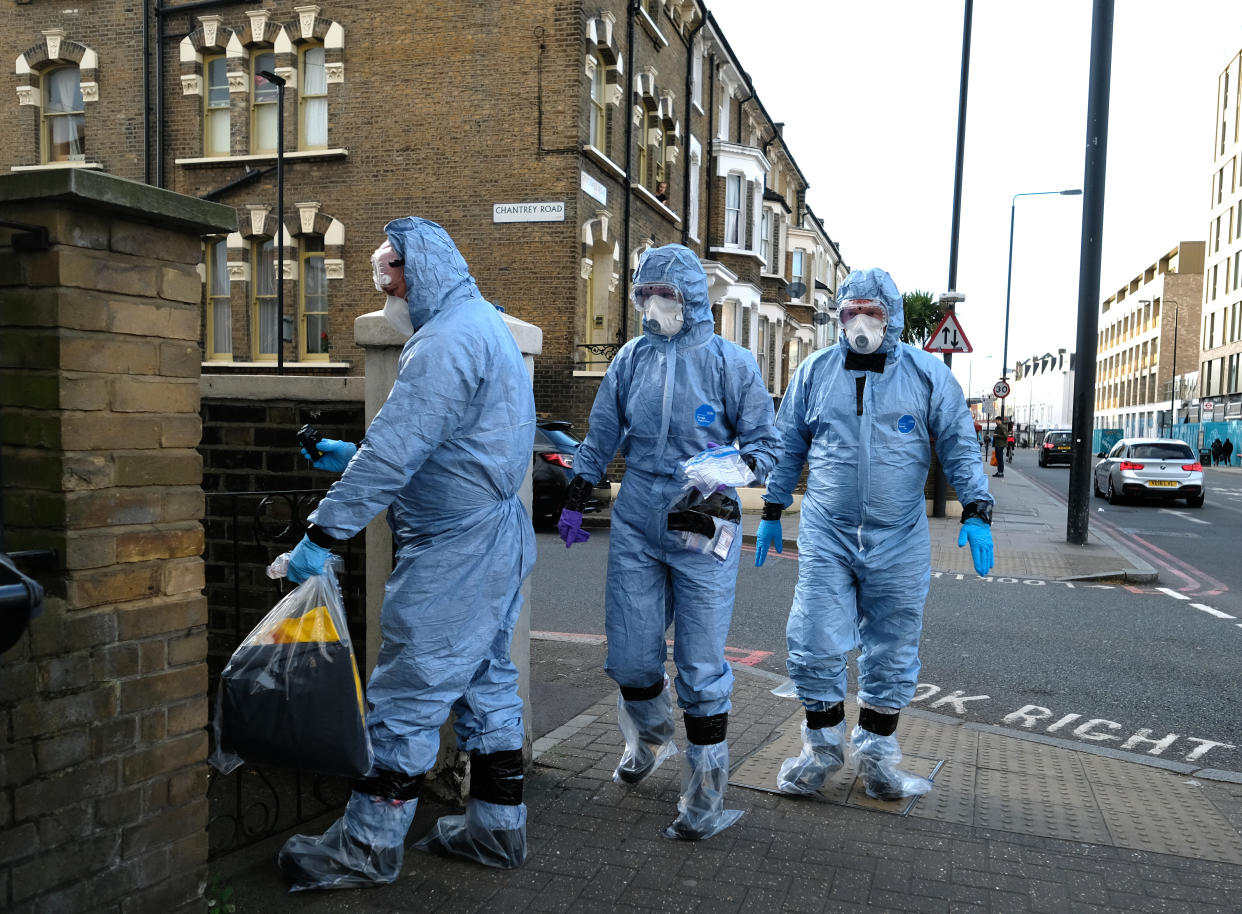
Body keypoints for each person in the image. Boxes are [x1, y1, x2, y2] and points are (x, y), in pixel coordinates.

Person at [276, 218, 537, 889]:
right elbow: (450, 444)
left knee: (407, 694)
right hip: (493, 538)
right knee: (487, 683)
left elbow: (394, 453)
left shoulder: (445, 341)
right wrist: (346, 455)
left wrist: (322, 535)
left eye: (388, 274)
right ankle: (498, 829)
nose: (384, 290)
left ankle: (367, 846)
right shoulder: (482, 325)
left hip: (456, 549)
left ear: (417, 270)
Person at [557, 243, 780, 839]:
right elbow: (603, 429)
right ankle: (650, 739)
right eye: (646, 296)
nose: (656, 306)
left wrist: (719, 473)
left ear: (692, 300)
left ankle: (705, 796)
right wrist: (579, 490)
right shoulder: (631, 359)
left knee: (701, 663)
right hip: (638, 516)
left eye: (667, 295)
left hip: (706, 522)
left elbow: (765, 448)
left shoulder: (733, 364)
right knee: (631, 655)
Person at [754, 268, 995, 801]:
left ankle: (879, 761)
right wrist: (772, 506)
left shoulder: (928, 376)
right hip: (828, 531)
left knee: (893, 646)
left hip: (899, 536)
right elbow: (789, 440)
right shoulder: (816, 372)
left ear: (894, 317)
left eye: (873, 312)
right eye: (850, 312)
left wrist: (976, 508)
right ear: (838, 316)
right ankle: (821, 750)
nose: (861, 323)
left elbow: (958, 441)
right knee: (813, 638)